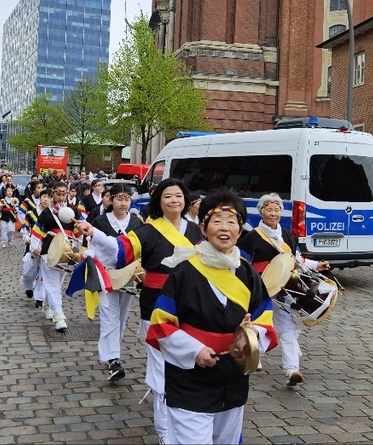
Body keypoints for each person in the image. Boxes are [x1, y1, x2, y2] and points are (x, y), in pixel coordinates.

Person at [144, 186, 277, 444]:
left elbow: (265, 317)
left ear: (240, 230)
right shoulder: (183, 272)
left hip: (233, 380)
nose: (224, 228)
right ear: (203, 228)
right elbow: (161, 325)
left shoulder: (248, 273)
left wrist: (250, 338)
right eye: (216, 221)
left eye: (232, 221)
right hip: (189, 380)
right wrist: (195, 350)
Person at [80, 178, 202, 443]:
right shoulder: (147, 231)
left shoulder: (196, 231)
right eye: (167, 196)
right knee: (160, 369)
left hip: (190, 308)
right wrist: (95, 233)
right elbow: (118, 251)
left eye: (178, 196)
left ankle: (186, 423)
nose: (174, 200)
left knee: (186, 367)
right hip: (157, 306)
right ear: (159, 201)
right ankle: (165, 432)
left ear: (185, 200)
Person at [237, 192, 329, 387]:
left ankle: (292, 369)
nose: (273, 213)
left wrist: (315, 266)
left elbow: (296, 259)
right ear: (262, 212)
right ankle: (254, 356)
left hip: (284, 290)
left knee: (286, 328)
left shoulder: (286, 234)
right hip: (260, 290)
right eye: (269, 210)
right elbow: (242, 265)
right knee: (256, 324)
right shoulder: (251, 237)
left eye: (277, 210)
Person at [80, 182, 145, 382]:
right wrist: (89, 260)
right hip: (106, 275)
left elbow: (142, 249)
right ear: (110, 199)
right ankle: (113, 360)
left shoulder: (137, 223)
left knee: (122, 317)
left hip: (128, 277)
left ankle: (112, 352)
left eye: (127, 199)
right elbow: (87, 246)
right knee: (110, 316)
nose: (123, 203)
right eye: (119, 198)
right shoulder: (100, 221)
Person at [30, 182, 82, 332]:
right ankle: (59, 317)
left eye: (63, 194)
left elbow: (79, 232)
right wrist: (35, 247)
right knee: (52, 284)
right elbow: (36, 232)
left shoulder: (73, 211)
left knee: (56, 284)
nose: (60, 197)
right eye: (58, 193)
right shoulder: (46, 213)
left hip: (66, 253)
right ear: (53, 193)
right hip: (49, 251)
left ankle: (48, 304)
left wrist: (79, 250)